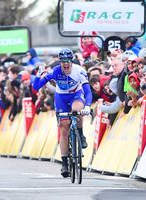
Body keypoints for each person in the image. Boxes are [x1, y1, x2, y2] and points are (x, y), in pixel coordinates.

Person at [33, 48, 92, 178]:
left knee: (77, 111)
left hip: (76, 95)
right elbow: (36, 86)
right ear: (60, 62)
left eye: (68, 61)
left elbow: (88, 91)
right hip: (61, 98)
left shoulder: (79, 71)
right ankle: (65, 163)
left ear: (72, 61)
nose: (65, 64)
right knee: (64, 127)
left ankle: (80, 135)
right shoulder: (54, 71)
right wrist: (39, 75)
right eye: (63, 61)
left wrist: (87, 106)